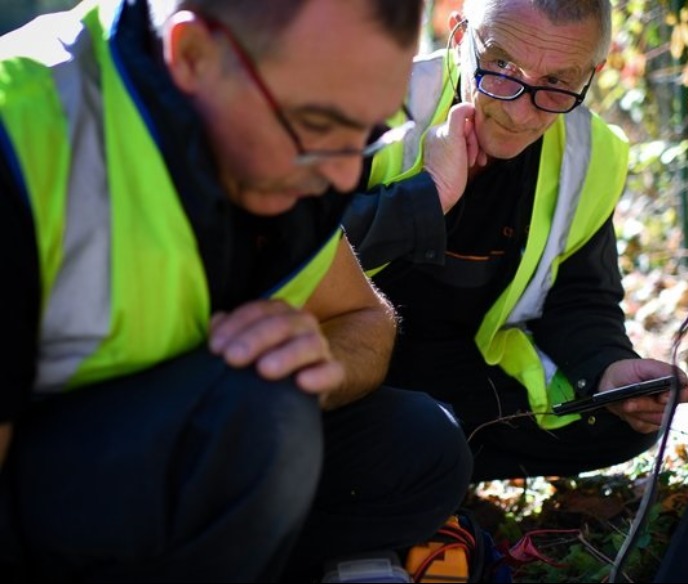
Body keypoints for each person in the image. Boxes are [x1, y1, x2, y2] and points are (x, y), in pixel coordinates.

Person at [0, 0, 473, 581]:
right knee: (259, 423)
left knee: (421, 447)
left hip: (181, 451)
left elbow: (363, 318)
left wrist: (317, 361)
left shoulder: (292, 144)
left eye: (370, 131)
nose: (345, 176)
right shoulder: (20, 135)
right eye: (319, 126)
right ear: (193, 55)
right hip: (35, 479)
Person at [343, 0, 688, 482]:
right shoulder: (370, 102)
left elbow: (580, 296)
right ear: (460, 34)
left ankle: (410, 470)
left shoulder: (591, 152)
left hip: (461, 374)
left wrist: (607, 367)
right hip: (344, 367)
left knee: (619, 426)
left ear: (591, 74)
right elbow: (288, 254)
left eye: (556, 83)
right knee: (420, 436)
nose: (518, 110)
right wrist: (427, 196)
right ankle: (413, 467)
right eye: (501, 66)